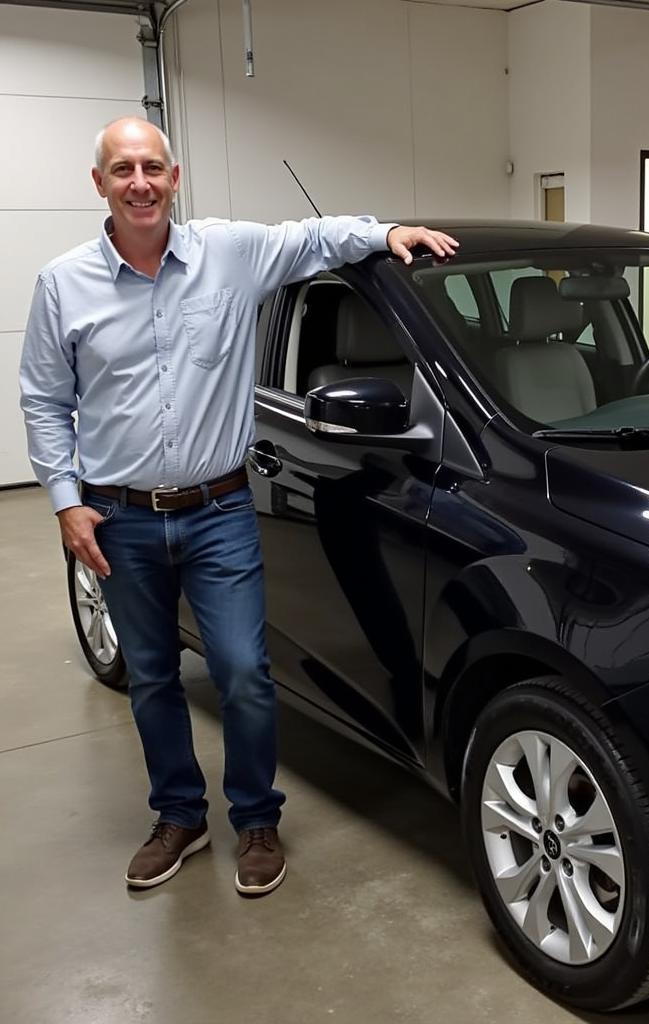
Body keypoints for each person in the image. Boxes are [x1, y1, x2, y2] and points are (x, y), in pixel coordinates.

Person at [19, 116, 458, 897]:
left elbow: (316, 240)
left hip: (219, 510)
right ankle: (179, 817)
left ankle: (257, 818)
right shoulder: (63, 285)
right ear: (100, 185)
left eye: (153, 167)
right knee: (153, 676)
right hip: (118, 516)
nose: (140, 183)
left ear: (175, 177)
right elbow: (45, 402)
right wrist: (65, 501)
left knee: (244, 673)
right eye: (123, 170)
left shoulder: (229, 253)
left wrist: (388, 230)